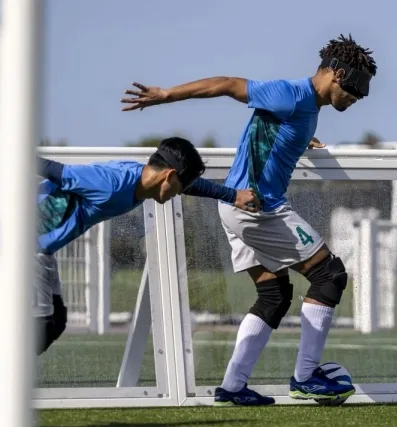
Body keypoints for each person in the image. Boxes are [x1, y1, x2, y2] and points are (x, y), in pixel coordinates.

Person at [120, 34, 377, 406]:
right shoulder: (292, 94)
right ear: (337, 73)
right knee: (329, 275)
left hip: (238, 210)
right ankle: (306, 377)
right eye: (356, 88)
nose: (358, 98)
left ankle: (233, 387)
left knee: (274, 295)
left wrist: (301, 139)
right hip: (258, 209)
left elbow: (273, 133)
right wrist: (166, 95)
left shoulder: (305, 110)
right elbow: (227, 84)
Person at [35, 136, 259, 355]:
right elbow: (56, 170)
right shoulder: (112, 184)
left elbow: (191, 185)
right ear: (170, 175)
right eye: (179, 188)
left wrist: (232, 195)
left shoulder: (141, 180)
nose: (178, 194)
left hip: (43, 252)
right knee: (42, 326)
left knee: (55, 321)